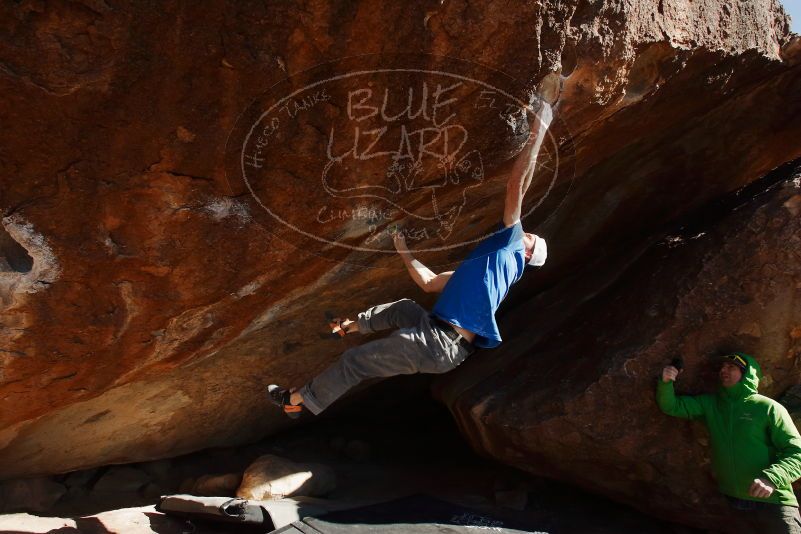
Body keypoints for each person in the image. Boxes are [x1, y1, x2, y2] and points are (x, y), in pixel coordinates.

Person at [268, 103, 552, 418]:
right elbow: (428, 283)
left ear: (528, 254)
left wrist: (539, 130)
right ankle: (347, 327)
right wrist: (402, 246)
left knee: (355, 362)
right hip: (438, 333)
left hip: (439, 344)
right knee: (404, 308)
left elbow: (518, 186)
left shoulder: (512, 250)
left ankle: (295, 402)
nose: (527, 232)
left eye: (532, 238)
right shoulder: (484, 270)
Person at [657, 353, 801, 533]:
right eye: (722, 367)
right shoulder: (711, 404)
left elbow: (797, 453)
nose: (723, 370)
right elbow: (672, 406)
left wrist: (772, 479)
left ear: (747, 373)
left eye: (731, 367)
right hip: (733, 502)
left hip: (773, 502)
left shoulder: (768, 408)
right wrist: (666, 382)